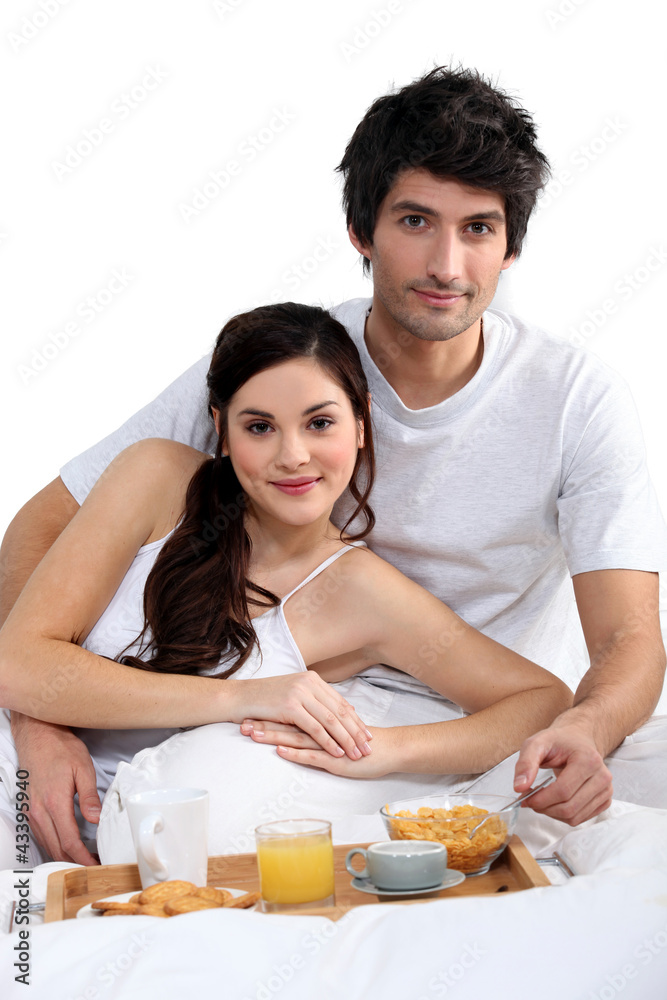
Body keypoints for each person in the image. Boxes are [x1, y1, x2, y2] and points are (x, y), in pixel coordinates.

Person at [1, 66, 666, 866]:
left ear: (511, 245)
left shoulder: (575, 398)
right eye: (415, 220)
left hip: (456, 713)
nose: (446, 265)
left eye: (478, 229)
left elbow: (629, 636)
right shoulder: (288, 361)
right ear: (361, 231)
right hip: (262, 682)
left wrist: (581, 729)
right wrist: (38, 719)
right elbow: (42, 529)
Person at [0, 302, 571, 868]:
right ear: (221, 432)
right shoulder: (157, 481)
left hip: (131, 837)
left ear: (362, 425)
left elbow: (540, 700)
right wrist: (236, 698)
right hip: (14, 769)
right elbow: (18, 661)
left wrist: (386, 750)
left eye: (320, 423)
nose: (292, 456)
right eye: (260, 427)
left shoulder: (359, 590)